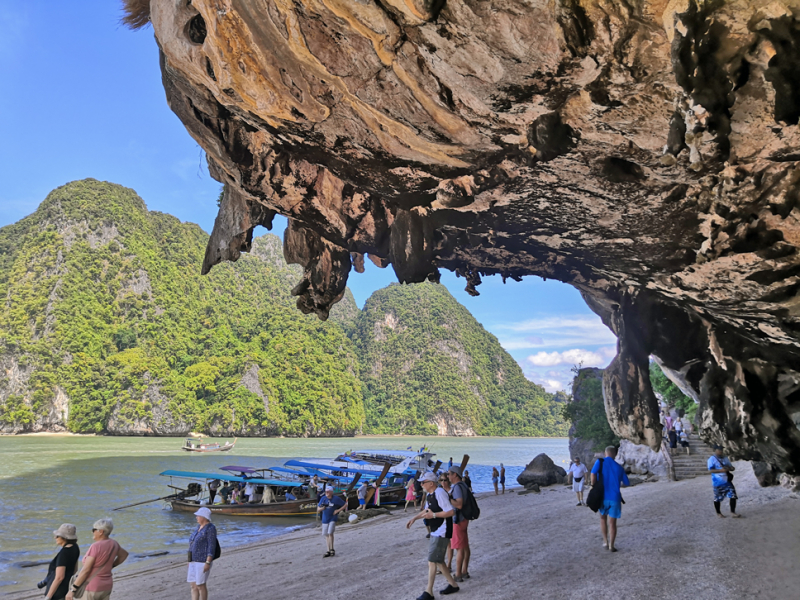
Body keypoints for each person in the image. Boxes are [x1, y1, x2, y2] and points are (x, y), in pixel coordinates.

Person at [406, 472, 460, 600]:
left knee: (432, 560)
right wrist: (415, 518)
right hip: (436, 530)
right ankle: (453, 585)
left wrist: (434, 516)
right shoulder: (430, 494)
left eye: (423, 482)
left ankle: (429, 592)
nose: (421, 484)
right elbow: (426, 511)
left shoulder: (440, 493)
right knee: (439, 560)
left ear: (431, 483)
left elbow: (451, 511)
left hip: (442, 530)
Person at [67, 519, 128, 600]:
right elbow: (124, 555)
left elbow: (86, 570)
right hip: (107, 585)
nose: (92, 532)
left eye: (94, 530)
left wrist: (72, 590)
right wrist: (111, 565)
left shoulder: (95, 546)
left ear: (101, 531)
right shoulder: (114, 543)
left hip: (92, 586)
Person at [590, 447, 629, 552]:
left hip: (602, 497)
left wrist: (592, 485)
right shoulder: (619, 467)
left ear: (605, 453)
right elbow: (626, 483)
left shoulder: (600, 462)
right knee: (612, 523)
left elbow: (593, 473)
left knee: (602, 519)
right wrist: (616, 483)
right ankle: (612, 545)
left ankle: (605, 541)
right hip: (615, 498)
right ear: (615, 454)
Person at [41, 523, 80, 600]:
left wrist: (48, 597)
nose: (55, 537)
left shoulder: (63, 553)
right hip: (66, 588)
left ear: (64, 538)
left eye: (57, 536)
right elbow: (75, 570)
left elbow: (59, 577)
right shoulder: (75, 547)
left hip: (57, 593)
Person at [187, 507, 217, 600]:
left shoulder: (210, 528)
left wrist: (208, 561)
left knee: (200, 584)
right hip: (193, 559)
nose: (196, 517)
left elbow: (211, 546)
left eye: (198, 516)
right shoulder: (198, 527)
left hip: (202, 560)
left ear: (204, 517)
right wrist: (189, 560)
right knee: (193, 585)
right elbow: (192, 544)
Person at [447, 466, 471, 582]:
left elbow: (459, 504)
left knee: (459, 548)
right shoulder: (463, 485)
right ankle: (465, 570)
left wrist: (448, 498)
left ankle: (458, 574)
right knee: (465, 545)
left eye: (449, 474)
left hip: (458, 519)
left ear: (455, 475)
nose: (448, 477)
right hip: (464, 519)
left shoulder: (457, 487)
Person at [708, 445, 740, 518]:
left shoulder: (725, 458)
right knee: (718, 498)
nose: (721, 451)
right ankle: (718, 513)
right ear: (715, 450)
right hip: (718, 482)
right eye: (719, 450)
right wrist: (720, 470)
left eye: (721, 449)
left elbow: (731, 467)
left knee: (733, 495)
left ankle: (733, 512)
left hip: (727, 481)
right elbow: (710, 470)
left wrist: (731, 468)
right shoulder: (711, 459)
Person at [317, 486, 347, 557]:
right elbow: (318, 509)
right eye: (326, 491)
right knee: (326, 534)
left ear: (331, 492)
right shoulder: (323, 498)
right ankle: (328, 550)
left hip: (332, 518)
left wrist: (337, 510)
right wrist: (322, 508)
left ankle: (332, 549)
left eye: (328, 491)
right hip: (325, 519)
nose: (327, 493)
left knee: (330, 532)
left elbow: (345, 504)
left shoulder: (336, 499)